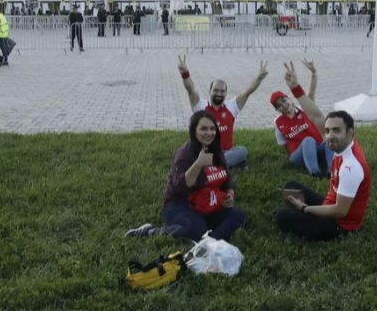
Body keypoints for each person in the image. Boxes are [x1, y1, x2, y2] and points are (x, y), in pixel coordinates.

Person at [274, 62, 371, 242]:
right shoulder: (343, 146)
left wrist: (304, 208)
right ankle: (299, 211)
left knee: (281, 216)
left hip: (338, 224)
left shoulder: (351, 166)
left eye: (336, 131)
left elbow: (340, 211)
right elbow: (317, 116)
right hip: (331, 203)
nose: (330, 136)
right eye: (327, 131)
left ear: (350, 132)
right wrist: (295, 87)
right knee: (291, 185)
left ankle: (299, 215)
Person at [126, 111, 246, 241]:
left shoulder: (215, 149)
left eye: (212, 128)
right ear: (194, 131)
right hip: (180, 205)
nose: (209, 133)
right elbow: (179, 187)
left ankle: (209, 241)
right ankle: (150, 231)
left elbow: (226, 179)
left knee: (239, 216)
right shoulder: (184, 154)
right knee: (196, 230)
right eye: (203, 129)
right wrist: (198, 164)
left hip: (208, 205)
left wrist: (230, 193)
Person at [178, 55, 268, 168]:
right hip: (205, 153)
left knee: (242, 151)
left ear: (226, 93)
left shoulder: (231, 107)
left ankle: (215, 165)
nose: (219, 93)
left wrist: (258, 78)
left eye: (222, 91)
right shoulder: (201, 106)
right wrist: (185, 74)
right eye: (215, 90)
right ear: (210, 91)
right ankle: (225, 165)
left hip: (226, 152)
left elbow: (248, 91)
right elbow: (191, 89)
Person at [271, 59, 333, 177]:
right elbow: (283, 144)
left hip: (316, 148)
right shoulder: (278, 122)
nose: (284, 105)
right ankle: (315, 172)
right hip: (298, 156)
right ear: (277, 109)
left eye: (284, 100)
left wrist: (314, 74)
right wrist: (292, 154)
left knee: (329, 140)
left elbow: (310, 94)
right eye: (279, 105)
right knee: (308, 140)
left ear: (288, 98)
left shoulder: (303, 109)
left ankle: (331, 170)